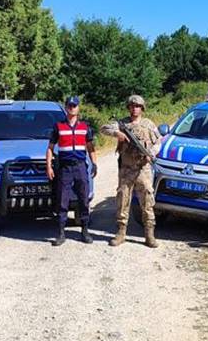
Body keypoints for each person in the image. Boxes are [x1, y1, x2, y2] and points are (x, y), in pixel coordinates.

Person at [110, 95, 162, 248]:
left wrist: (150, 154)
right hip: (126, 169)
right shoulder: (122, 124)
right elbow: (104, 128)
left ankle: (149, 234)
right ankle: (121, 232)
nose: (135, 108)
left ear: (142, 108)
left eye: (138, 106)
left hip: (143, 169)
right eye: (132, 106)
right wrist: (117, 134)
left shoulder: (148, 125)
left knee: (147, 201)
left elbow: (158, 142)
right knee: (123, 200)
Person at [47, 96, 98, 246]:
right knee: (63, 199)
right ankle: (61, 233)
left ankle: (84, 230)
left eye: (74, 105)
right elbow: (50, 148)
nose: (72, 108)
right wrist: (49, 166)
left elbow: (90, 147)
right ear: (66, 107)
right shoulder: (58, 126)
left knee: (83, 198)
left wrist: (94, 163)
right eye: (69, 105)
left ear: (78, 108)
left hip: (81, 166)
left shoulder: (85, 127)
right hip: (65, 168)